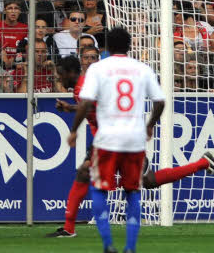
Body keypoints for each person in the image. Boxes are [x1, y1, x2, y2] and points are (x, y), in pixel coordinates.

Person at [48, 54, 214, 239]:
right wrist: (71, 109)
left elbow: (96, 106)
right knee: (147, 181)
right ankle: (203, 163)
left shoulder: (83, 87)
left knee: (86, 173)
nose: (58, 78)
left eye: (60, 74)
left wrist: (74, 122)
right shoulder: (83, 85)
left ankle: (69, 228)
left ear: (69, 72)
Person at [67, 26, 166, 253]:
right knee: (132, 192)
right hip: (134, 140)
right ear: (129, 46)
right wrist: (150, 125)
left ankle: (108, 244)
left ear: (107, 48)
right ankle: (130, 248)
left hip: (107, 139)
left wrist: (74, 130)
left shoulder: (98, 69)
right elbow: (160, 102)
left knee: (99, 188)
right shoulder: (142, 68)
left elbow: (86, 103)